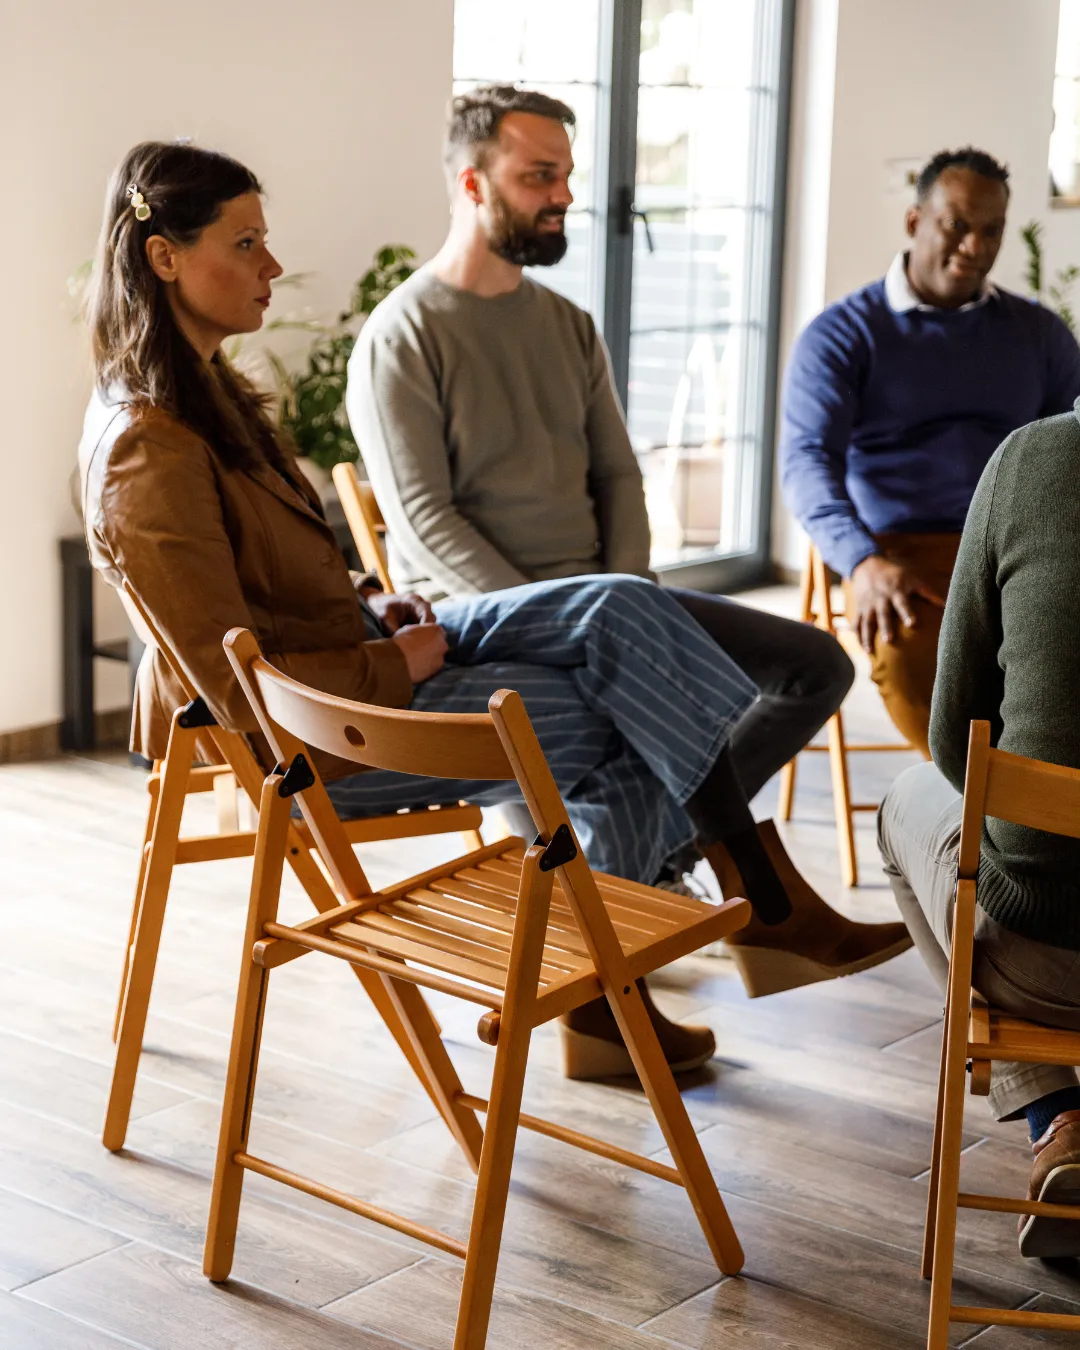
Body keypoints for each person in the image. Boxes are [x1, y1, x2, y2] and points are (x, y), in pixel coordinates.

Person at [80, 141, 908, 1081]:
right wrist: (400, 667)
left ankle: (709, 929)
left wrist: (367, 601)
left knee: (618, 608)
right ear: (164, 257)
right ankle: (668, 951)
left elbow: (267, 581)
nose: (273, 265)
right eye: (248, 242)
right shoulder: (146, 444)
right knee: (621, 714)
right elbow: (235, 684)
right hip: (332, 735)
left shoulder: (207, 391)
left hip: (367, 653)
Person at [346, 85, 885, 989]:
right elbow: (425, 524)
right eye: (538, 177)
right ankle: (742, 903)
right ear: (473, 185)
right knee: (623, 694)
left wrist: (624, 591)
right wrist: (575, 613)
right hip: (491, 617)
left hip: (612, 605)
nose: (562, 195)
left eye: (565, 175)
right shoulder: (401, 335)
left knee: (815, 666)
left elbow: (617, 476)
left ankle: (649, 906)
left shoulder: (568, 325)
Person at [780, 146, 1080, 756]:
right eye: (958, 225)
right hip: (905, 555)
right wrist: (861, 562)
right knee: (931, 681)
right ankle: (992, 819)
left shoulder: (1037, 333)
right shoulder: (844, 335)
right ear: (916, 221)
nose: (975, 246)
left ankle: (1032, 811)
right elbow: (806, 463)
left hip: (1021, 545)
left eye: (991, 230)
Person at [878, 404, 1080, 1259]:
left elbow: (954, 725)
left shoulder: (1033, 460)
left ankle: (1056, 1116)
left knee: (902, 802)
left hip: (1040, 957)